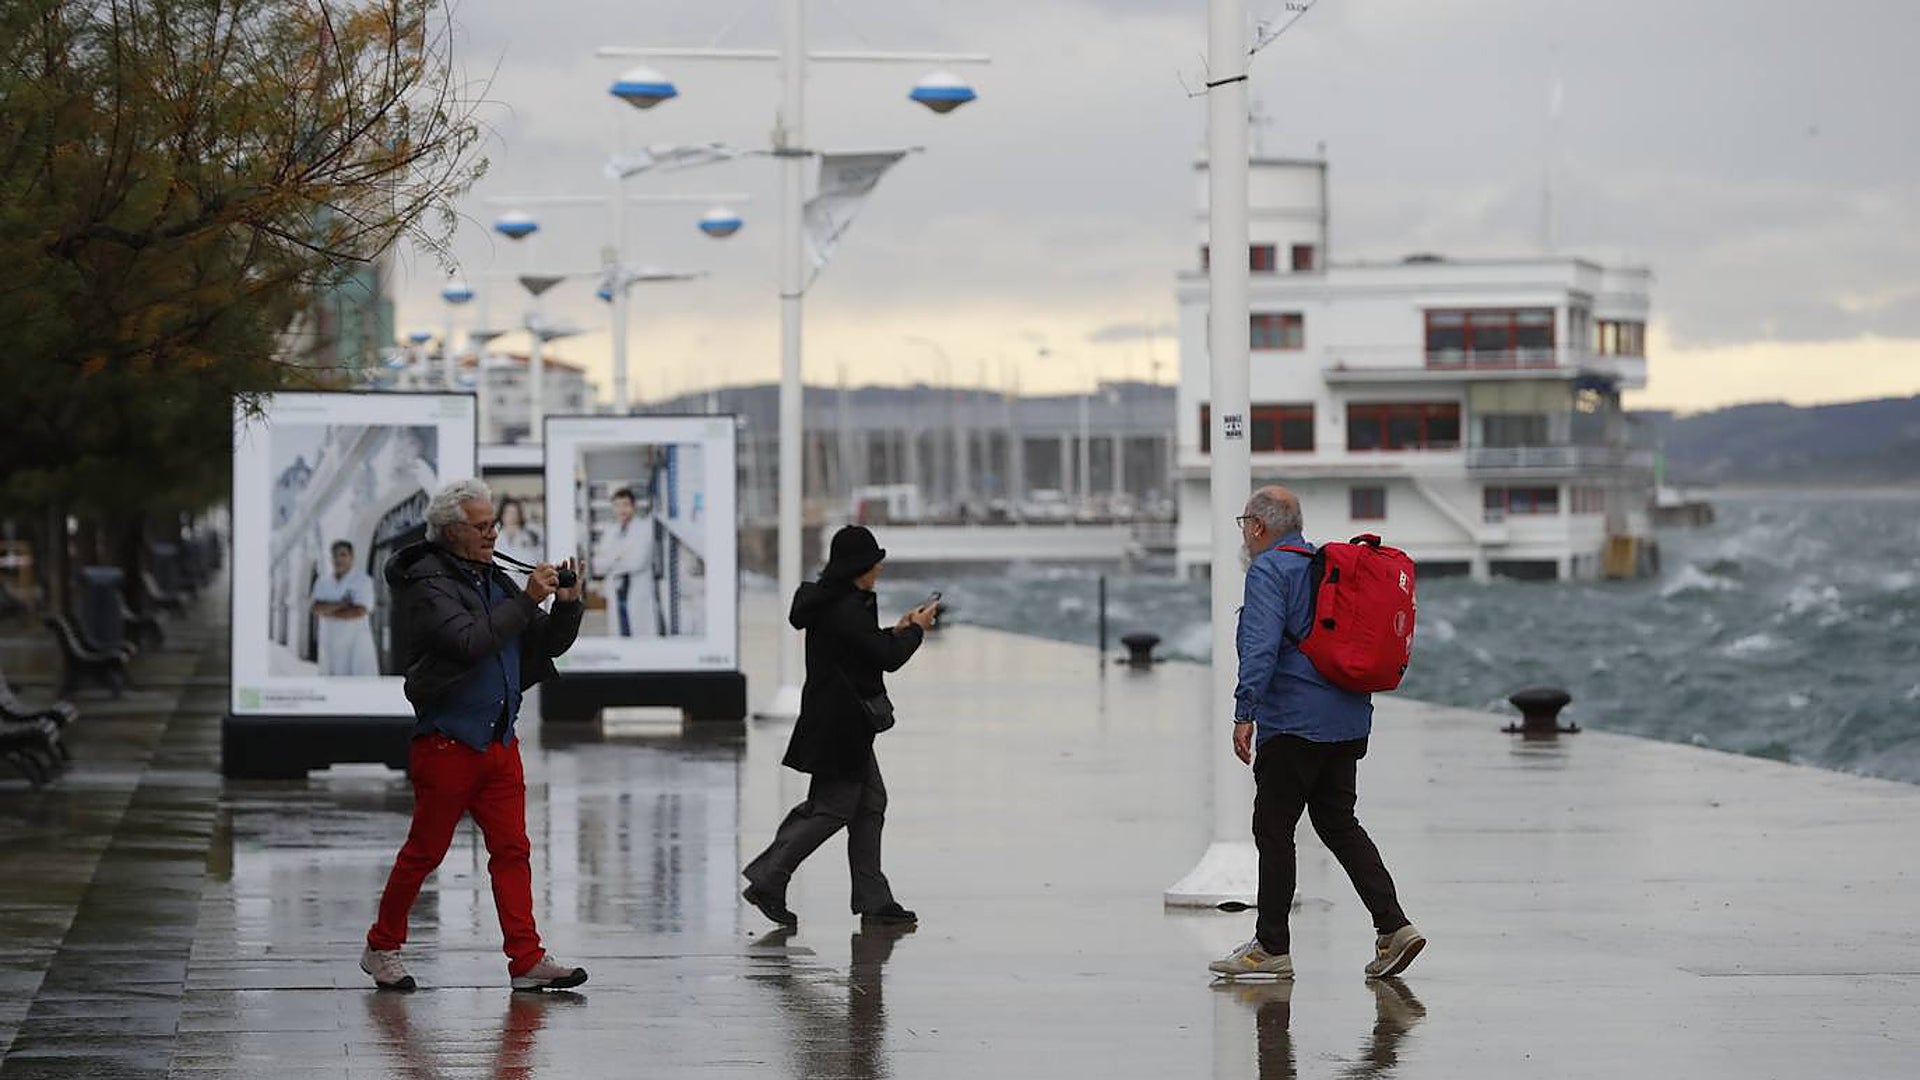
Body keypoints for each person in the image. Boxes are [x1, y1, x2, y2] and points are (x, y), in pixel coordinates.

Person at [359, 478, 589, 993]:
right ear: (450, 532)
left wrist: (568, 604)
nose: (492, 534)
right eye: (481, 527)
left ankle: (526, 959)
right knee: (425, 852)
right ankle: (381, 946)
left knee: (513, 850)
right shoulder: (428, 585)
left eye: (493, 525)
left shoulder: (493, 578)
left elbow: (546, 642)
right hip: (449, 741)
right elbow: (469, 642)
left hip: (499, 741)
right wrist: (529, 599)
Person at [1210, 485, 1424, 981]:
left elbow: (1261, 647)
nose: (1244, 533)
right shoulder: (1324, 566)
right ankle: (1394, 927)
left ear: (1257, 527)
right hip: (1346, 720)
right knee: (1338, 823)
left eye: (1244, 524)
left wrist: (1244, 712)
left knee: (1273, 828)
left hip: (1294, 723)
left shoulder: (1269, 570)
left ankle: (1271, 947)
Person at [741, 525, 938, 928]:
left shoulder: (838, 601)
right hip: (840, 725)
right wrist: (917, 630)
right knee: (831, 810)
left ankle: (873, 898)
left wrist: (898, 630)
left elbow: (862, 647)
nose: (879, 569)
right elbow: (887, 658)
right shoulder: (846, 606)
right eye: (874, 563)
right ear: (858, 567)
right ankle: (768, 878)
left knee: (870, 804)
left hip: (842, 722)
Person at [594, 487, 660, 638]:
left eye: (626, 504)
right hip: (616, 590)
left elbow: (637, 562)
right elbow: (598, 564)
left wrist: (612, 559)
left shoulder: (644, 529)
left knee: (639, 634)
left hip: (637, 589)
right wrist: (619, 558)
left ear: (633, 506)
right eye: (617, 505)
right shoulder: (610, 531)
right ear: (613, 508)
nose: (621, 509)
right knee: (620, 632)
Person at [311, 540, 380, 676]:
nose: (338, 559)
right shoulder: (323, 582)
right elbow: (315, 608)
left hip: (356, 646)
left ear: (351, 557)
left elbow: (359, 611)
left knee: (357, 684)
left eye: (343, 555)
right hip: (330, 644)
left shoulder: (363, 581)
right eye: (335, 555)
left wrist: (327, 611)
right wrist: (342, 605)